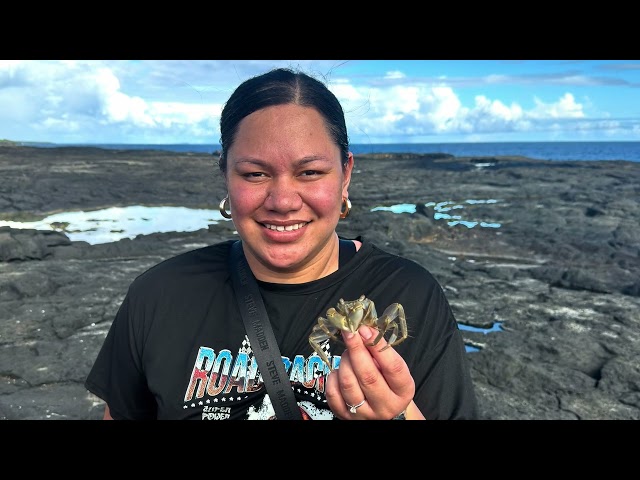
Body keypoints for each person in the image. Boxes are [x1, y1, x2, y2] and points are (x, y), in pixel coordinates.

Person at [84, 67, 478, 420]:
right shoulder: (159, 295)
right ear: (226, 176)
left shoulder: (412, 293)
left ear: (345, 175)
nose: (283, 201)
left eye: (310, 171)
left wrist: (397, 415)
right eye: (255, 174)